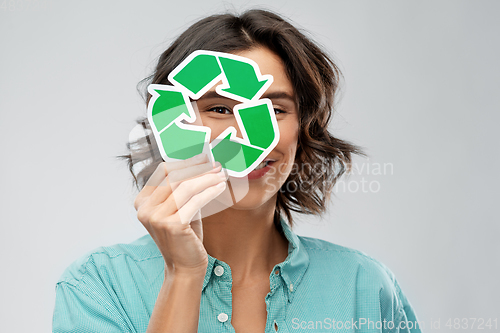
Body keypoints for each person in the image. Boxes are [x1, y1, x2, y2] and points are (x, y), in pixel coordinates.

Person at [52, 9, 421, 333]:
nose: (249, 138)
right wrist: (183, 275)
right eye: (220, 109)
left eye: (275, 110)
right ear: (168, 120)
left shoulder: (365, 290)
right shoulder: (98, 287)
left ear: (303, 129)